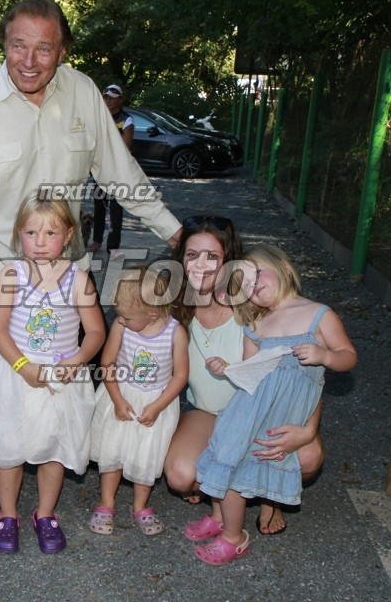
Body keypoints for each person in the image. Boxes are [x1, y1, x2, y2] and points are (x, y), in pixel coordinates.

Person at [0, 0, 181, 508]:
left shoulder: (84, 94)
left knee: (59, 375)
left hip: (64, 272)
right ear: (3, 45)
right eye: (17, 46)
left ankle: (53, 460)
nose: (28, 61)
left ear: (63, 50)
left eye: (43, 49)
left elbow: (121, 174)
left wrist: (175, 232)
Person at [191, 244, 357, 565]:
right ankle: (222, 520)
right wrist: (227, 368)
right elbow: (249, 372)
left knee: (243, 468)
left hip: (282, 418)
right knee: (227, 460)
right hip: (249, 411)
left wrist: (325, 355)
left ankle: (234, 538)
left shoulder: (319, 315)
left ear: (281, 265)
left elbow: (348, 356)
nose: (253, 286)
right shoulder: (256, 325)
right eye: (245, 286)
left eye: (256, 275)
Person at [163, 216, 325, 537]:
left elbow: (306, 371)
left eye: (213, 256)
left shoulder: (254, 306)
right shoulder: (173, 307)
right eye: (192, 255)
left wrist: (309, 428)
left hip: (264, 414)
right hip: (208, 411)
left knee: (308, 456)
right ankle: (224, 486)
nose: (201, 265)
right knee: (181, 475)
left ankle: (269, 495)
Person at [0, 190, 105, 554]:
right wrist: (23, 366)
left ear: (68, 235)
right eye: (31, 232)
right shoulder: (10, 275)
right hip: (18, 374)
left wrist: (78, 360)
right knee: (10, 448)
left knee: (54, 449)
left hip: (61, 379)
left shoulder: (78, 279)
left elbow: (96, 331)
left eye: (50, 233)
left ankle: (46, 513)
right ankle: (8, 515)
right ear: (18, 234)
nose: (40, 242)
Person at [89, 267, 188, 536]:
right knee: (113, 450)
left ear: (152, 313)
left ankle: (140, 506)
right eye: (119, 314)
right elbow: (107, 363)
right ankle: (106, 502)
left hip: (156, 402)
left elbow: (180, 375)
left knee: (146, 453)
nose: (120, 320)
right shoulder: (122, 326)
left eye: (126, 316)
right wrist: (117, 399)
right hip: (121, 395)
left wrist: (158, 406)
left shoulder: (175, 333)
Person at [87, 84, 134, 254]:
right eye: (106, 97)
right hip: (99, 168)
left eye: (113, 98)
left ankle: (113, 246)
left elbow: (125, 146)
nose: (108, 101)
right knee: (99, 205)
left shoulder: (126, 120)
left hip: (117, 170)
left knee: (115, 208)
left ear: (120, 100)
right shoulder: (99, 117)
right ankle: (96, 240)